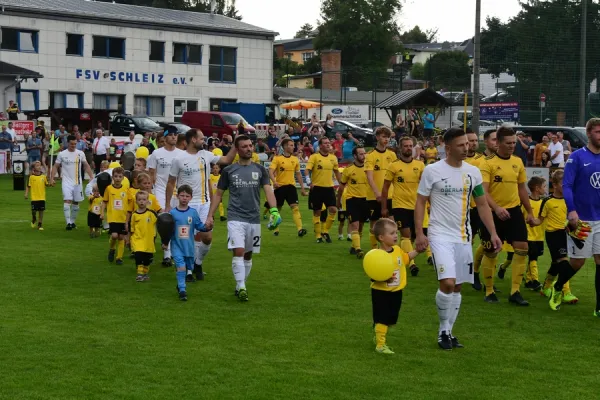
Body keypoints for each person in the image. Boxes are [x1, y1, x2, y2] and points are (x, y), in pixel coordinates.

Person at [415, 127, 502, 350]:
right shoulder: (432, 171)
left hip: (463, 236)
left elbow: (482, 204)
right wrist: (419, 233)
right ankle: (443, 330)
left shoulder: (473, 172)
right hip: (439, 234)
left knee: (458, 287)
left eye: (468, 144)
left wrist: (493, 233)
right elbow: (421, 202)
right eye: (461, 145)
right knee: (447, 282)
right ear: (448, 147)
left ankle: (449, 333)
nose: (467, 148)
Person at [205, 135, 280, 302]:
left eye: (250, 146)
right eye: (244, 146)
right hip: (235, 217)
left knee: (248, 255)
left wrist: (274, 210)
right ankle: (242, 286)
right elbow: (218, 195)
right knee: (238, 251)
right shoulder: (229, 171)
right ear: (237, 150)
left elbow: (268, 190)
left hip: (253, 218)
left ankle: (240, 285)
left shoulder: (260, 170)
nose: (249, 149)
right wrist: (210, 214)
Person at [166, 128, 236, 281]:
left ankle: (198, 263)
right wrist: (167, 206)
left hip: (204, 203)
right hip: (186, 205)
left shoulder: (206, 155)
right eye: (202, 138)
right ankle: (188, 271)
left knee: (207, 237)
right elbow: (171, 183)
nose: (204, 141)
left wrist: (235, 145)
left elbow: (226, 160)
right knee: (186, 239)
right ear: (193, 140)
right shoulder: (179, 159)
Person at [479, 126, 535, 305]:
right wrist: (496, 208)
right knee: (492, 251)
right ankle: (489, 291)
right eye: (509, 143)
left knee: (522, 247)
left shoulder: (517, 162)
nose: (512, 146)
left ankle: (515, 292)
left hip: (513, 211)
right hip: (492, 212)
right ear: (499, 143)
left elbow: (521, 189)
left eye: (514, 143)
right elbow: (484, 192)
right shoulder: (487, 163)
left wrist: (530, 212)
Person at [548, 118, 600, 314]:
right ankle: (558, 286)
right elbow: (567, 185)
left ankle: (599, 307)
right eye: (597, 132)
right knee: (578, 262)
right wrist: (571, 209)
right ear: (588, 133)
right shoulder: (577, 157)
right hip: (582, 219)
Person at [370, 218, 420, 355]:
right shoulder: (377, 255)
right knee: (383, 318)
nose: (395, 235)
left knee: (391, 319)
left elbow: (406, 258)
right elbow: (372, 273)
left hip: (396, 291)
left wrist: (417, 251)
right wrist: (383, 277)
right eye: (391, 233)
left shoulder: (397, 250)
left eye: (396, 232)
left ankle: (378, 332)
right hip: (381, 292)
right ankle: (380, 344)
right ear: (381, 237)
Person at [381, 136, 424, 275]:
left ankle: (407, 255)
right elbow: (385, 187)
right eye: (405, 146)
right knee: (406, 235)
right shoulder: (393, 166)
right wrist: (384, 207)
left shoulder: (420, 165)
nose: (408, 148)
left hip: (417, 205)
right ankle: (411, 264)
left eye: (410, 146)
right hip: (400, 205)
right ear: (400, 148)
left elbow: (425, 186)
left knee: (414, 236)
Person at [534, 170, 578, 304]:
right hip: (553, 235)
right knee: (564, 262)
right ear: (555, 184)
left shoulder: (569, 200)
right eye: (563, 184)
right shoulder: (547, 201)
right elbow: (540, 219)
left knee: (556, 264)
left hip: (566, 234)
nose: (566, 187)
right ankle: (565, 292)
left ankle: (546, 287)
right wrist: (531, 220)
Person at [147, 130, 183, 266]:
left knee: (177, 222)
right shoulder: (156, 154)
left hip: (177, 192)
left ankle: (174, 251)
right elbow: (151, 174)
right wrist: (150, 193)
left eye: (176, 135)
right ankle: (167, 254)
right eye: (171, 135)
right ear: (165, 137)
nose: (174, 137)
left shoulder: (181, 154)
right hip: (161, 191)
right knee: (165, 219)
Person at [167, 184, 207, 301]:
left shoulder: (193, 213)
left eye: (187, 196)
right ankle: (182, 290)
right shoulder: (173, 213)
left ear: (190, 198)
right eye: (182, 195)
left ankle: (180, 284)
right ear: (177, 196)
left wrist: (207, 227)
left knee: (189, 266)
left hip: (189, 246)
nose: (184, 198)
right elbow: (168, 229)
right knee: (181, 266)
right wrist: (166, 242)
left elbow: (199, 225)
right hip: (177, 246)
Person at [50, 135, 94, 230]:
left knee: (76, 202)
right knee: (67, 200)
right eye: (71, 144)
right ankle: (68, 223)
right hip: (66, 182)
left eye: (75, 144)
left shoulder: (80, 153)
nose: (73, 145)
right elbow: (55, 166)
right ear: (68, 143)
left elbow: (86, 165)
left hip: (78, 182)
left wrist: (91, 176)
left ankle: (73, 222)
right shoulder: (62, 154)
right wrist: (52, 177)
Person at [365, 127, 397, 249]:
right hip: (374, 196)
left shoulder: (392, 155)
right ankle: (374, 250)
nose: (386, 139)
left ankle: (391, 249)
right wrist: (377, 193)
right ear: (377, 137)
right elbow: (369, 177)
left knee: (392, 224)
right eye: (383, 136)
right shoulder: (370, 156)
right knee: (374, 225)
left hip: (390, 195)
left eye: (388, 137)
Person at [306, 137, 342, 243]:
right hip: (317, 188)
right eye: (325, 143)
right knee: (317, 212)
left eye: (328, 143)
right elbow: (307, 170)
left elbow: (336, 172)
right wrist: (308, 181)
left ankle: (325, 231)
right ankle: (318, 235)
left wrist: (342, 184)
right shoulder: (314, 157)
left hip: (329, 188)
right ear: (320, 145)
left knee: (333, 210)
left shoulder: (333, 158)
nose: (328, 144)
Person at [269, 138, 308, 237]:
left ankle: (300, 229)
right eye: (291, 145)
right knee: (277, 209)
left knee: (295, 208)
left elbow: (298, 174)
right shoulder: (277, 158)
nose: (293, 147)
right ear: (285, 146)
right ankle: (275, 229)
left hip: (291, 187)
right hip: (280, 187)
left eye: (293, 145)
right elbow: (270, 171)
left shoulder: (295, 159)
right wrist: (274, 182)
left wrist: (303, 188)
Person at [337, 147, 368, 258]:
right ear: (355, 156)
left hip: (366, 200)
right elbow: (341, 187)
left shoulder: (369, 169)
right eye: (361, 154)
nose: (364, 156)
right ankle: (359, 249)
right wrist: (338, 200)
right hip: (352, 200)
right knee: (354, 224)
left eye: (364, 153)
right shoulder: (349, 169)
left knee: (361, 226)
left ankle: (354, 246)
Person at [517, 176, 546, 291]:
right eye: (544, 186)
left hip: (539, 236)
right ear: (537, 188)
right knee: (533, 257)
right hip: (529, 235)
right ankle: (535, 280)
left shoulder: (544, 202)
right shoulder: (525, 202)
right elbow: (519, 217)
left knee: (534, 257)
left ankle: (528, 280)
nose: (545, 189)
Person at [465, 130, 485, 290]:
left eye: (475, 140)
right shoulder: (456, 161)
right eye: (470, 140)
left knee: (486, 242)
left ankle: (474, 272)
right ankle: (468, 272)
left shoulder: (482, 160)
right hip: (463, 208)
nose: (473, 143)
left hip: (479, 207)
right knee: (467, 242)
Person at [100, 167, 128, 265]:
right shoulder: (109, 189)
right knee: (114, 235)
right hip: (113, 217)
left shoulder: (125, 189)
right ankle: (112, 248)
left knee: (121, 237)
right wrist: (102, 213)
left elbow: (130, 202)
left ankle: (119, 258)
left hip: (123, 218)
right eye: (115, 176)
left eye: (120, 176)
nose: (117, 178)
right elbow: (104, 202)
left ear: (123, 178)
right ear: (112, 177)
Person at [130, 190, 158, 282]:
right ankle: (139, 274)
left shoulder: (151, 213)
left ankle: (145, 274)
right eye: (139, 200)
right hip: (137, 240)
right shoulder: (134, 215)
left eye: (144, 199)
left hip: (148, 241)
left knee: (147, 259)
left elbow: (160, 221)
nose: (142, 201)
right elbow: (132, 228)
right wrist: (129, 239)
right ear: (136, 201)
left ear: (147, 201)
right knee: (138, 257)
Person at [24, 161, 49, 231]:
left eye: (40, 165)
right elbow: (28, 186)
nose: (39, 167)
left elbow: (47, 184)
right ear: (34, 168)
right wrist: (26, 194)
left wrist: (51, 183)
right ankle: (34, 218)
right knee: (34, 211)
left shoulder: (43, 176)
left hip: (42, 197)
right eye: (37, 166)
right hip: (34, 197)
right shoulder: (31, 177)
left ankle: (40, 224)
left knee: (41, 211)